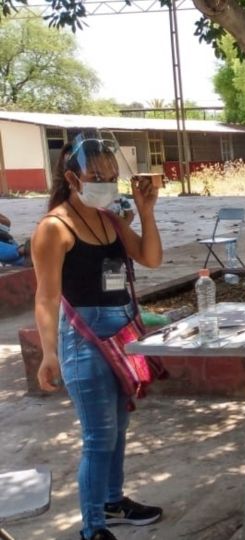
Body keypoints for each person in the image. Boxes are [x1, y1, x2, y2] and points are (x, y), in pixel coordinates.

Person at [32, 138, 164, 540]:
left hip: (121, 333)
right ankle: (92, 527)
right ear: (72, 178)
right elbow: (47, 295)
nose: (106, 183)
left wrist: (145, 211)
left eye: (111, 177)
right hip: (83, 341)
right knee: (98, 436)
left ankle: (112, 499)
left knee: (119, 426)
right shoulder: (55, 228)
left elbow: (151, 257)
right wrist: (48, 353)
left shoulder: (109, 218)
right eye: (96, 177)